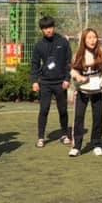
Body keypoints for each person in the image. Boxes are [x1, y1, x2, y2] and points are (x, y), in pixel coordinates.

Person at [68, 28, 102, 157]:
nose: (92, 40)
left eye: (94, 37)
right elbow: (72, 70)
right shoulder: (79, 54)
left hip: (98, 90)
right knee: (79, 118)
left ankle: (97, 144)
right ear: (84, 40)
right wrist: (78, 77)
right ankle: (76, 146)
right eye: (89, 38)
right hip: (82, 91)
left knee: (98, 118)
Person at [31, 16, 72, 148]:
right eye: (45, 28)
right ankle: (41, 137)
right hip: (45, 83)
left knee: (63, 110)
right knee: (44, 109)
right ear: (42, 30)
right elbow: (35, 64)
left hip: (61, 82)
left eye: (50, 27)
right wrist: (34, 81)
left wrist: (67, 79)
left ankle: (64, 134)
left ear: (54, 27)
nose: (48, 30)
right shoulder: (39, 45)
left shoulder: (63, 42)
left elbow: (68, 62)